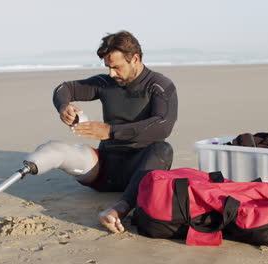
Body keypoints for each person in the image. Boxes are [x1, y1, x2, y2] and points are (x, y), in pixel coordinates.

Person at [42, 30, 178, 233]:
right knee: (64, 151)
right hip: (106, 170)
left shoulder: (159, 85)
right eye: (108, 67)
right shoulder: (106, 83)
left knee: (163, 149)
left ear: (135, 59)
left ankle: (120, 208)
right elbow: (64, 88)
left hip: (141, 169)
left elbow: (162, 126)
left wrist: (111, 131)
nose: (112, 74)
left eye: (116, 67)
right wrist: (63, 107)